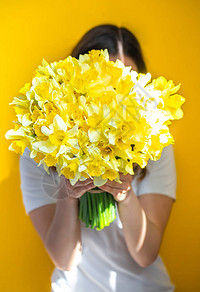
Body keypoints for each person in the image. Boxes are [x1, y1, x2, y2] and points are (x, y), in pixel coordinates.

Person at [19, 24, 177, 292]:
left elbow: (145, 254)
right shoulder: (39, 148)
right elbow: (64, 259)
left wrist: (125, 195)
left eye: (131, 87)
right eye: (109, 86)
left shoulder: (155, 143)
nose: (120, 99)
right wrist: (68, 192)